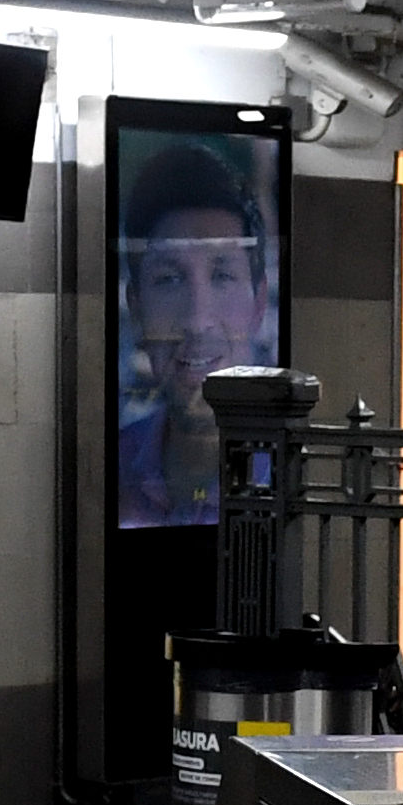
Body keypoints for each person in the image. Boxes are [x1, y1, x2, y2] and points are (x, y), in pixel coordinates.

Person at [109, 141, 280, 529]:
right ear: (136, 307)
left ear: (258, 303)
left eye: (222, 276)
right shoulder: (113, 461)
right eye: (169, 279)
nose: (198, 321)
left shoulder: (292, 472)